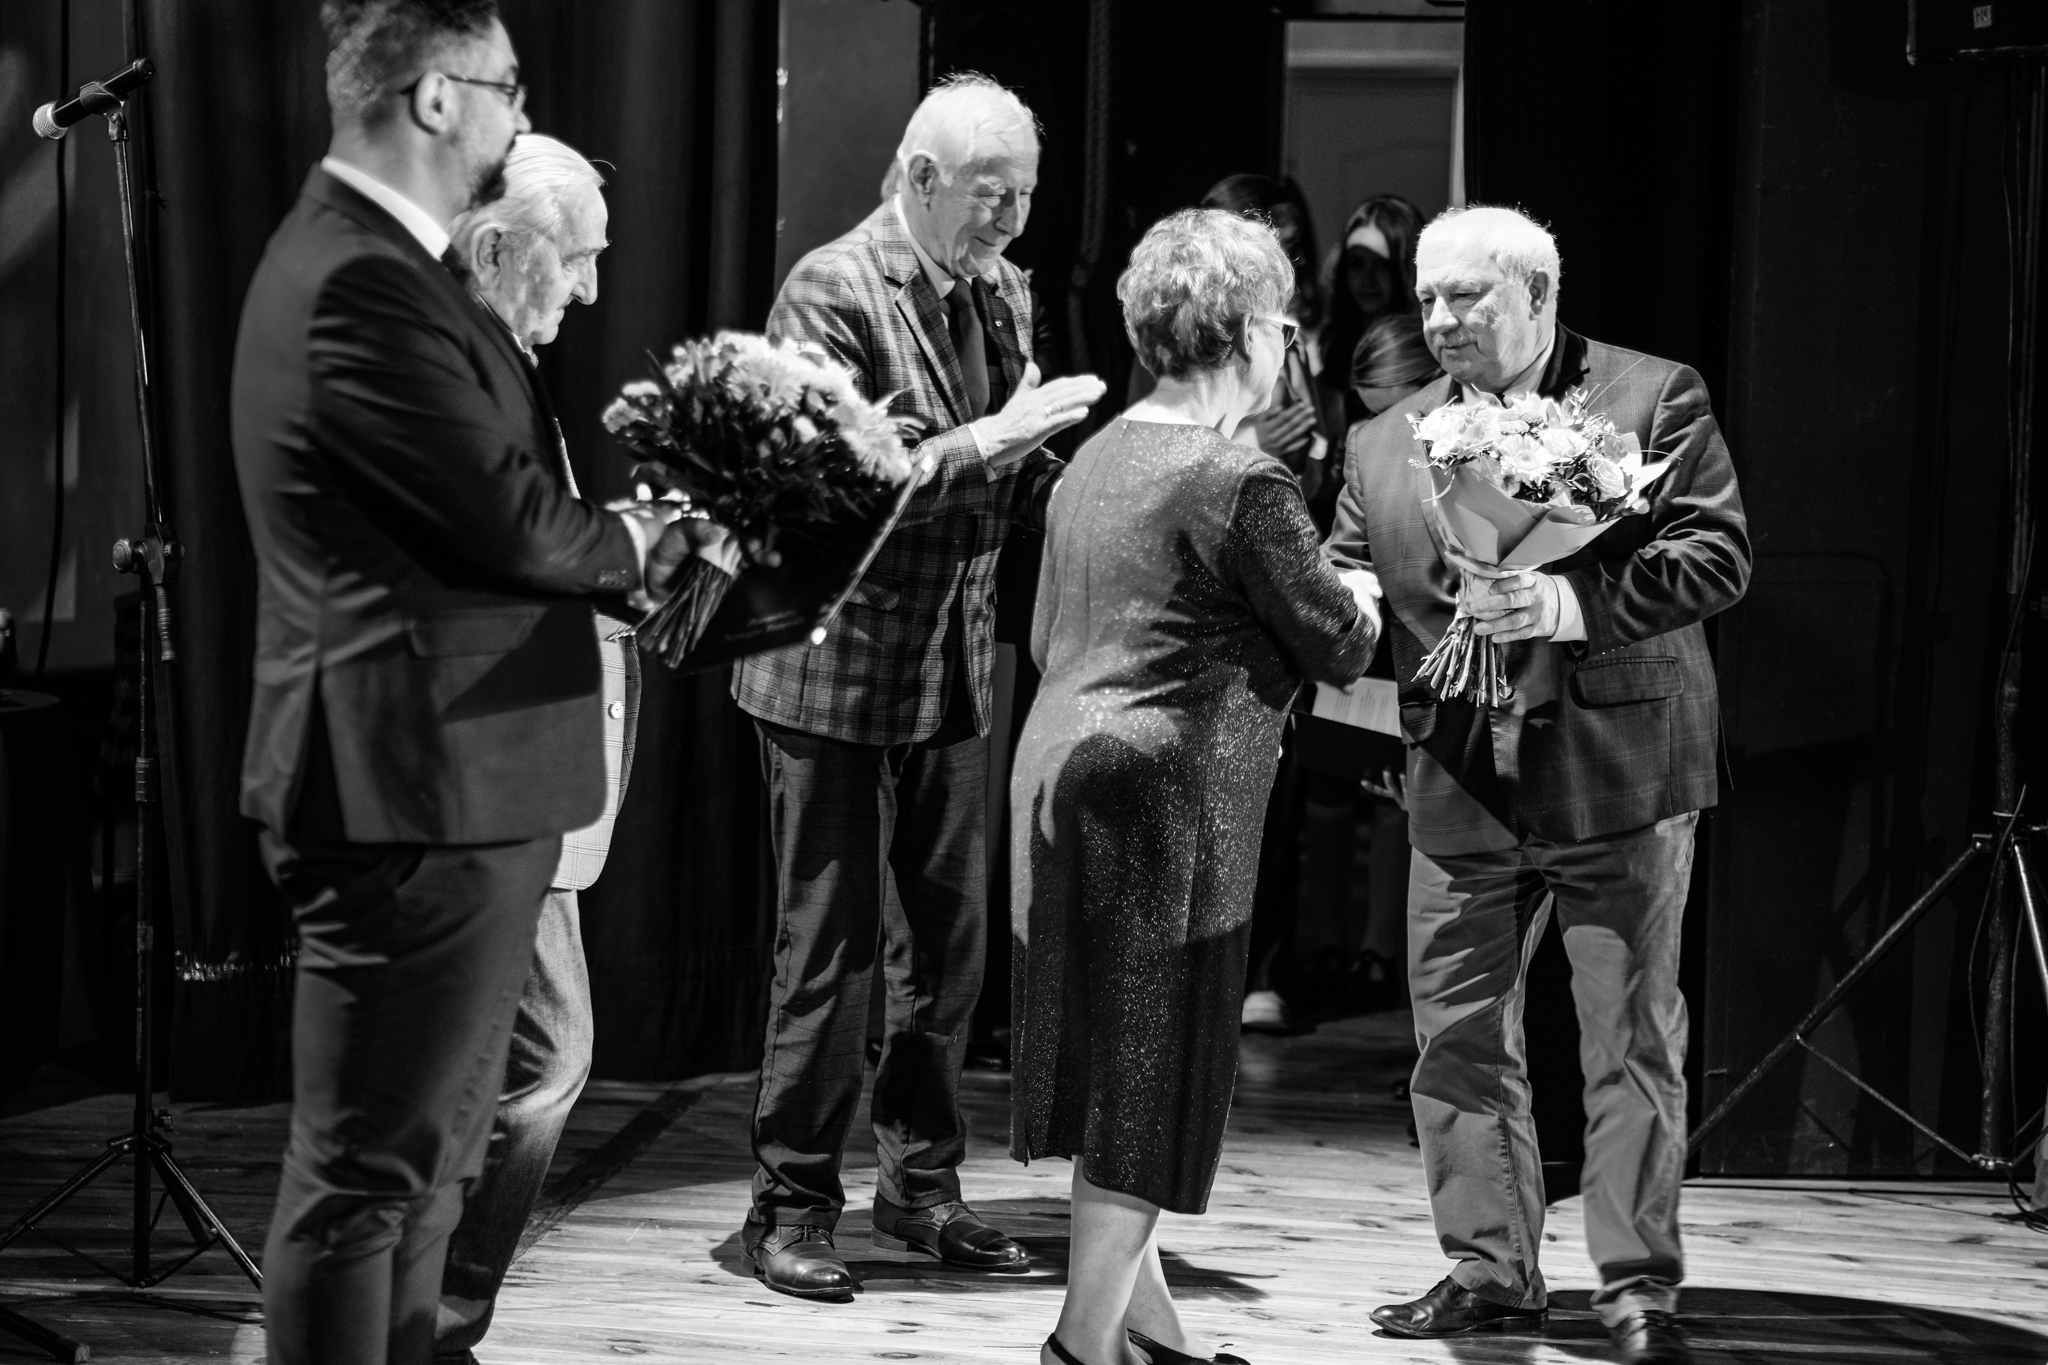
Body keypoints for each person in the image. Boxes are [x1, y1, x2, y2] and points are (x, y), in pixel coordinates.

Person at [230, 6, 729, 1362]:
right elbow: (505, 523)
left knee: (432, 1170)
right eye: (510, 88)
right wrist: (656, 539)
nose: (523, 115)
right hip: (399, 791)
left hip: (454, 785)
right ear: (438, 97)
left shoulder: (392, 274)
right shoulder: (361, 278)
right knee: (367, 1180)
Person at [1325, 206, 1749, 1365]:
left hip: (1616, 766)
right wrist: (1335, 603)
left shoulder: (1649, 396)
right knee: (1455, 1035)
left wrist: (1564, 603)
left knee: (1626, 1038)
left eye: (1465, 296)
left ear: (1537, 295)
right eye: (1426, 298)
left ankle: (1635, 1289)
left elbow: (1715, 556)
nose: (1440, 319)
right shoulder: (1384, 438)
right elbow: (1351, 573)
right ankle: (1489, 1270)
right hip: (1458, 775)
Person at [732, 73, 1107, 1301]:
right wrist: (993, 440)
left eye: (1026, 196)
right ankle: (791, 1206)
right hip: (832, 674)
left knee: (945, 956)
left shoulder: (999, 287)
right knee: (827, 958)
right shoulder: (829, 289)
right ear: (921, 176)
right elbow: (841, 484)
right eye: (992, 195)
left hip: (950, 666)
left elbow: (1019, 469)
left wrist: (1111, 487)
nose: (1011, 221)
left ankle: (920, 1188)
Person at [1012, 208, 1380, 1365]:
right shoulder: (1239, 477)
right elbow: (1337, 640)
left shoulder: (1093, 458)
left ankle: (1149, 1337)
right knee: (1150, 1079)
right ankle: (1081, 1348)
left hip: (1058, 774)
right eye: (1285, 326)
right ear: (1252, 333)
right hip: (1165, 800)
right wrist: (1363, 598)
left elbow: (1043, 638)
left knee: (1117, 1070)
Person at [431, 133, 626, 1365]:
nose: (591, 290)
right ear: (500, 248)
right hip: (470, 782)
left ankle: (430, 1321)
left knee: (504, 1067)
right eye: (578, 259)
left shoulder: (491, 356)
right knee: (536, 1061)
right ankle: (430, 1322)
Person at [1317, 194, 1424, 435]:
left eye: (1382, 264)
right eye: (1357, 263)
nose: (1367, 279)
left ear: (1408, 266)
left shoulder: (1431, 350)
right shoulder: (1336, 344)